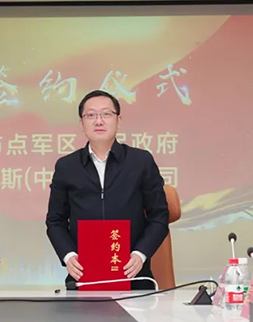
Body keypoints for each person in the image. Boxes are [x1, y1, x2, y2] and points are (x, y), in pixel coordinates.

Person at [45, 90, 170, 290]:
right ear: (81, 124)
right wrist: (69, 256)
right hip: (83, 276)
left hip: (134, 276)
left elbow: (159, 215)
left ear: (118, 120)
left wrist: (140, 255)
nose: (99, 121)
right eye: (91, 115)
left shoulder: (140, 161)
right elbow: (55, 221)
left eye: (106, 114)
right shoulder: (67, 166)